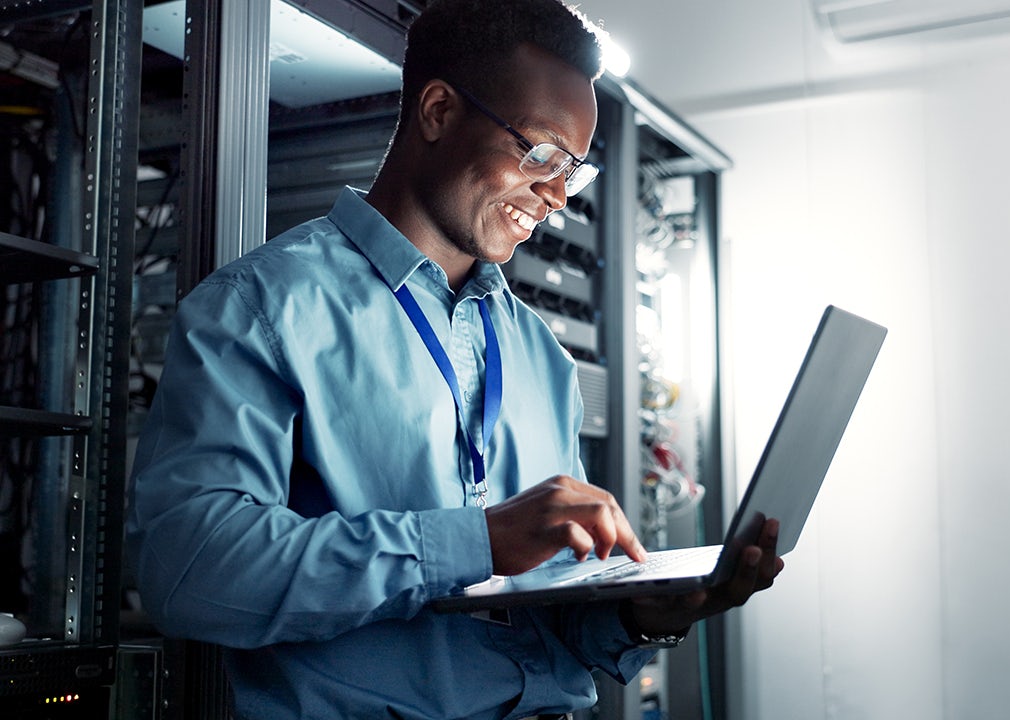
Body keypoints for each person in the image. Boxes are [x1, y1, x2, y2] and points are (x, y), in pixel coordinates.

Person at [126, 1, 782, 718]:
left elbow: (553, 616)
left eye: (574, 171)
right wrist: (472, 542)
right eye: (539, 154)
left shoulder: (541, 357)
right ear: (438, 111)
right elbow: (188, 569)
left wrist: (656, 611)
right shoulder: (262, 308)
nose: (557, 195)